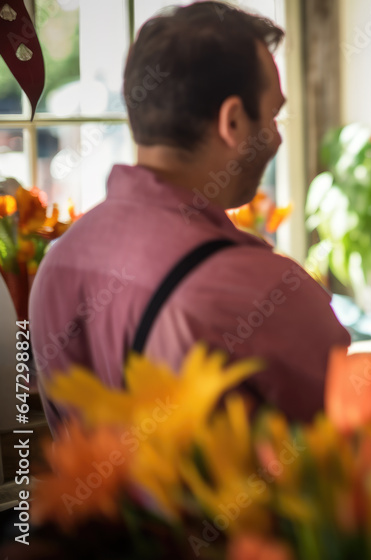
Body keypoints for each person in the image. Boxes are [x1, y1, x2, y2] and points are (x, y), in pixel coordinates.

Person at [29, 2, 350, 433]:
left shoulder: (59, 262)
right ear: (233, 121)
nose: (276, 137)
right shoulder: (259, 288)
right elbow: (349, 443)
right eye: (272, 116)